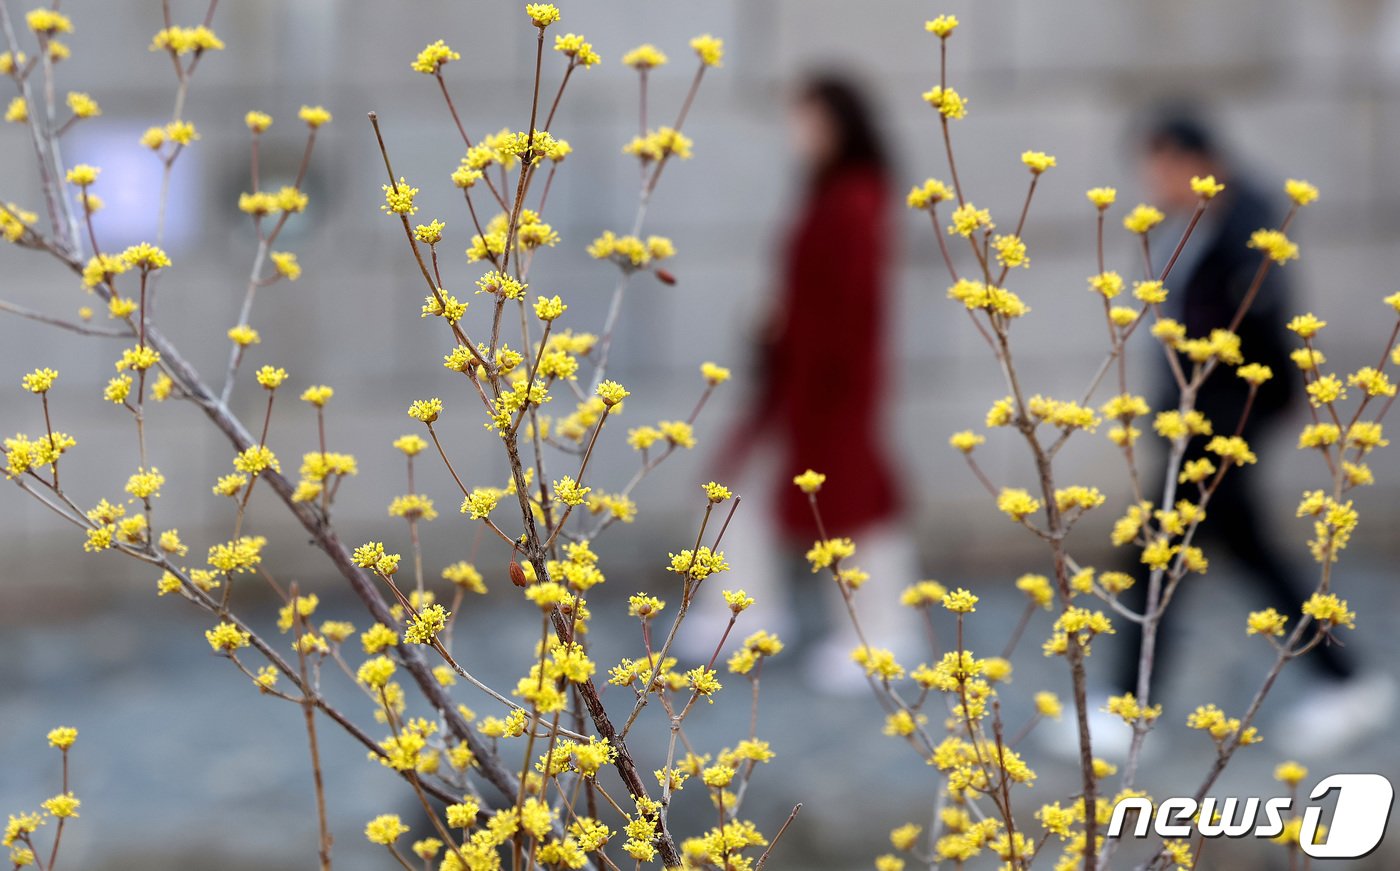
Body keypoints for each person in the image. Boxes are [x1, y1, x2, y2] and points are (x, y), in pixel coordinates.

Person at [1096, 110, 1392, 755]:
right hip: (1198, 422)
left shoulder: (1249, 220)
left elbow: (1257, 325)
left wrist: (1234, 419)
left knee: (1159, 558)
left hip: (1225, 425)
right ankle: (1345, 680)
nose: (1152, 181)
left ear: (1192, 160)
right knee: (1229, 555)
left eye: (1160, 165)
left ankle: (1129, 711)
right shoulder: (1188, 224)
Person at [696, 74, 917, 690]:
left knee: (850, 504)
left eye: (809, 122)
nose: (798, 136)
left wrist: (801, 340)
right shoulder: (834, 194)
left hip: (830, 379)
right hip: (801, 376)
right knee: (746, 484)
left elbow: (851, 301)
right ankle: (746, 610)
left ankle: (878, 634)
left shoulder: (853, 200)